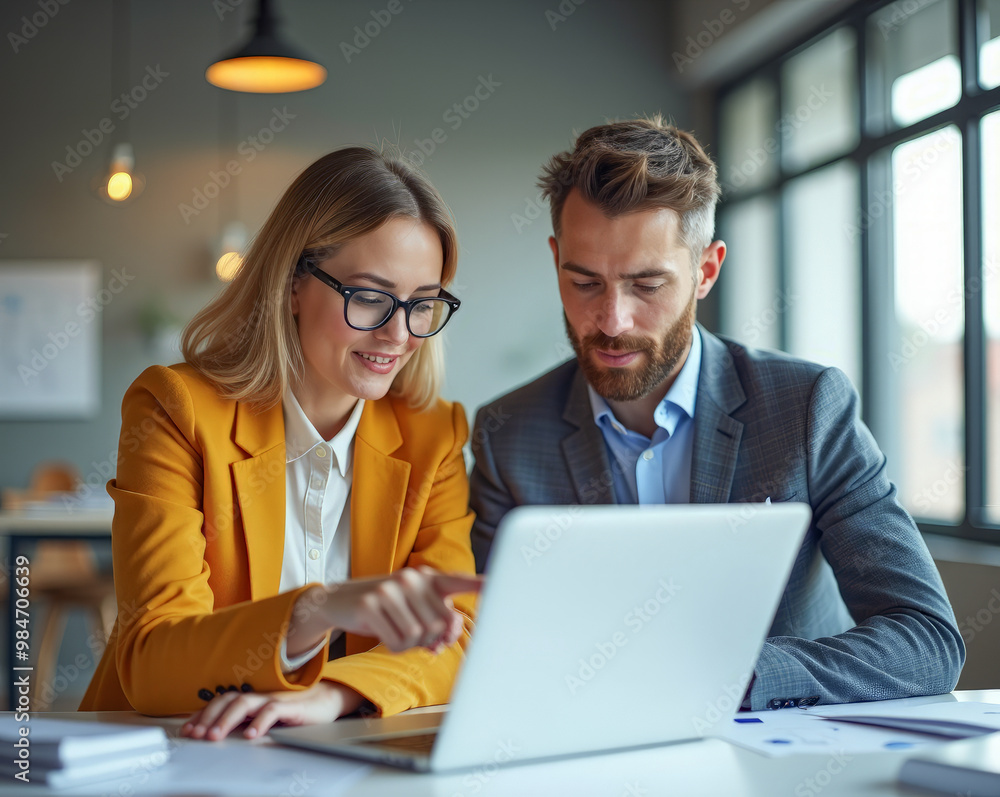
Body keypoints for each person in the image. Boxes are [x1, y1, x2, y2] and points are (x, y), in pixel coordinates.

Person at [469, 116, 964, 710]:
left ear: (706, 270)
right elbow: (489, 644)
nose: (612, 320)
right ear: (556, 262)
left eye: (647, 285)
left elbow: (927, 641)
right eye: (584, 283)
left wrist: (729, 678)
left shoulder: (807, 407)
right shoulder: (509, 433)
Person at [80, 147, 482, 739]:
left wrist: (335, 694)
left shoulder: (433, 434)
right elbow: (150, 658)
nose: (400, 334)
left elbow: (459, 636)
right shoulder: (177, 409)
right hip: (166, 753)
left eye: (422, 304)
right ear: (294, 284)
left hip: (336, 757)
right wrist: (316, 611)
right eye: (370, 297)